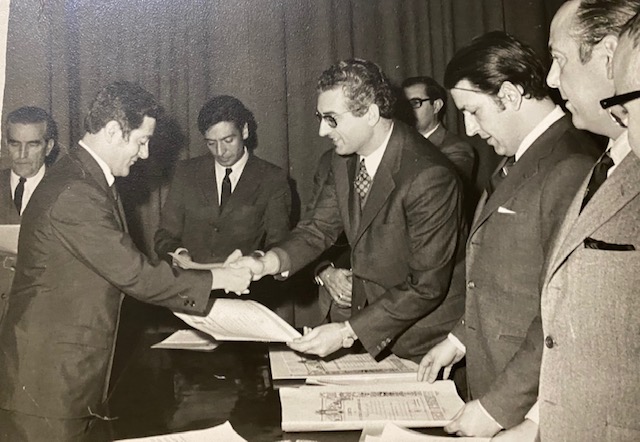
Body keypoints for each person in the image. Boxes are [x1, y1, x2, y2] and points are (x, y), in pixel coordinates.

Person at [0, 81, 253, 441]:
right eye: (141, 141)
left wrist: (215, 272)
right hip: (48, 385)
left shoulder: (87, 178)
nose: (145, 154)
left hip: (67, 376)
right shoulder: (76, 191)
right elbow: (134, 274)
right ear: (113, 131)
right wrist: (222, 278)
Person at [417, 31, 598, 438]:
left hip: (527, 402)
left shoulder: (569, 164)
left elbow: (562, 311)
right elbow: (505, 275)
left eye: (474, 111)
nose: (470, 129)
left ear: (511, 95)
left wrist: (497, 408)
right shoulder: (521, 157)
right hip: (498, 381)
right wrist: (458, 340)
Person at [242, 58, 467, 363]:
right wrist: (266, 263)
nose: (322, 130)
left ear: (371, 114)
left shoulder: (428, 176)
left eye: (331, 119)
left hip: (424, 340)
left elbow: (426, 285)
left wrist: (347, 332)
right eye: (320, 117)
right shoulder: (343, 160)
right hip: (371, 327)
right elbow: (317, 229)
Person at [493, 2, 640, 440]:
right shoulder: (605, 162)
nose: (553, 80)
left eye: (559, 59)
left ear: (610, 56)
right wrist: (538, 423)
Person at [154, 95, 291, 266]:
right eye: (211, 143)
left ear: (245, 131)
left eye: (228, 140)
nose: (220, 151)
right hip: (190, 279)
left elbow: (279, 243)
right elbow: (165, 235)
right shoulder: (185, 172)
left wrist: (257, 260)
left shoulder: (272, 178)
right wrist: (179, 254)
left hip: (245, 280)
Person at [0, 106, 58, 327]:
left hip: (42, 319)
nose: (22, 154)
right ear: (6, 144)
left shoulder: (66, 191)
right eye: (15, 144)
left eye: (33, 144)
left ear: (48, 147)